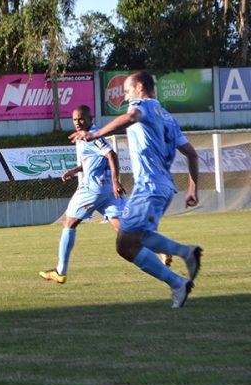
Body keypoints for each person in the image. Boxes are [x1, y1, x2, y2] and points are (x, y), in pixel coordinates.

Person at [69, 70, 202, 308]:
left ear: (140, 87)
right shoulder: (168, 118)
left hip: (149, 186)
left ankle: (179, 276)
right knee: (133, 239)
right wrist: (193, 189)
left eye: (128, 91)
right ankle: (184, 261)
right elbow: (191, 153)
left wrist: (95, 134)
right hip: (163, 188)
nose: (127, 97)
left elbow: (131, 116)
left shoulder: (144, 105)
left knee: (125, 245)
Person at [39, 105, 126, 284]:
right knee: (121, 228)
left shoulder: (91, 136)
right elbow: (94, 161)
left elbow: (112, 155)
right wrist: (74, 170)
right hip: (107, 189)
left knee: (69, 222)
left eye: (81, 118)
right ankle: (160, 250)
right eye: (75, 119)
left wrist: (117, 181)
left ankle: (60, 271)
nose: (78, 122)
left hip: (93, 189)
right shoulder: (83, 137)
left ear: (90, 118)